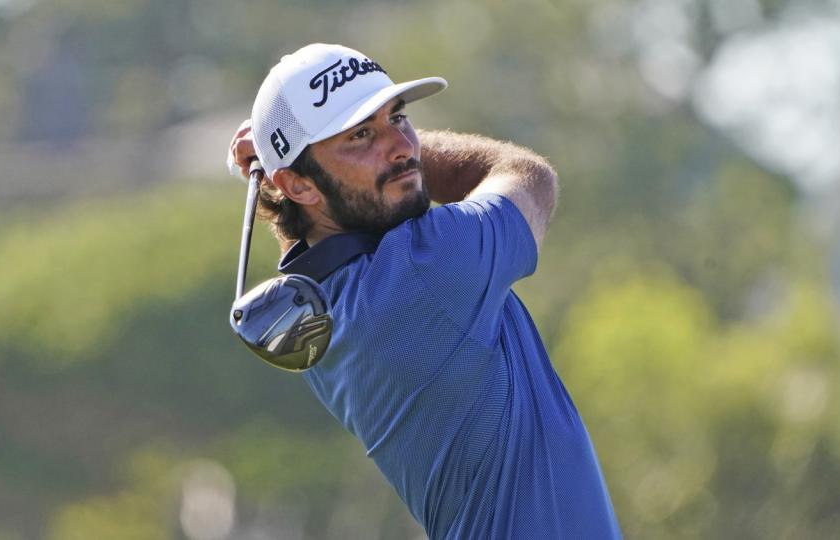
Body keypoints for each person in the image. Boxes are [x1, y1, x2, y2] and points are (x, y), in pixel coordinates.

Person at [227, 43, 622, 539]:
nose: (403, 146)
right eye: (362, 135)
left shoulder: (319, 303)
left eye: (399, 118)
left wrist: (298, 160)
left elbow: (319, 220)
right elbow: (528, 177)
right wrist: (287, 158)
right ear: (299, 186)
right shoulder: (426, 270)